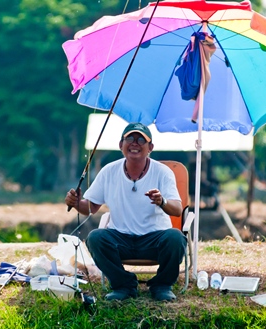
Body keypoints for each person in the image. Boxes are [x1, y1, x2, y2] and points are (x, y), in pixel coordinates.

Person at [65, 122, 187, 301]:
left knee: (175, 238)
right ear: (120, 145)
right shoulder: (109, 171)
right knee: (96, 237)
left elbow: (177, 210)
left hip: (154, 240)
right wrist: (76, 203)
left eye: (141, 140)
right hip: (120, 239)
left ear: (150, 147)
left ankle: (161, 285)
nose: (135, 143)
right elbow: (90, 208)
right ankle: (124, 285)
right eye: (129, 138)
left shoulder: (163, 172)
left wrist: (162, 201)